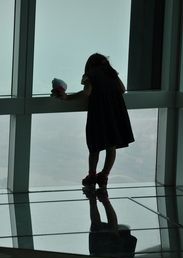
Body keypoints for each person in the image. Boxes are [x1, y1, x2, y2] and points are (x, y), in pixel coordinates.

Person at [51, 53, 134, 188]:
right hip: (115, 113)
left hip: (99, 113)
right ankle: (104, 175)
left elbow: (86, 93)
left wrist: (67, 98)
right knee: (111, 146)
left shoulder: (90, 75)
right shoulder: (112, 73)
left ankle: (92, 175)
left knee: (94, 146)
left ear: (90, 64)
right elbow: (122, 89)